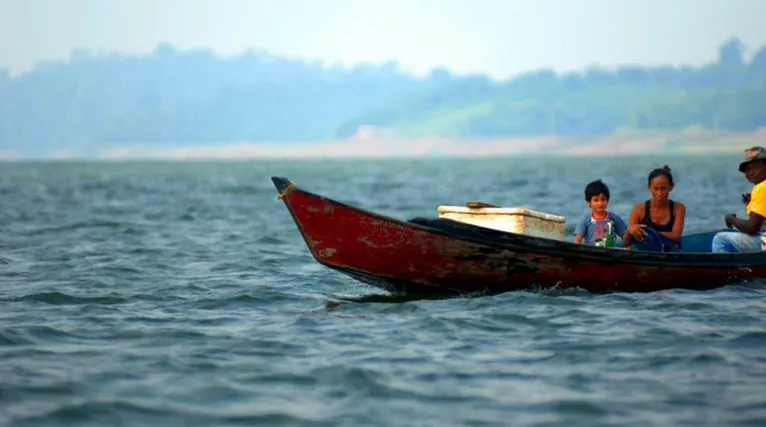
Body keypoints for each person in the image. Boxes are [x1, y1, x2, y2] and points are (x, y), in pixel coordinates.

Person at [711, 146, 766, 253]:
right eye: (747, 169)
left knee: (720, 239)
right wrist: (750, 204)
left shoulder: (762, 187)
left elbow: (752, 228)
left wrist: (731, 219)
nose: (750, 172)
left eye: (755, 167)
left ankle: (725, 270)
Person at [625, 165, 686, 252]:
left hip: (669, 252)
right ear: (649, 188)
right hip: (644, 252)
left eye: (663, 188)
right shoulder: (638, 209)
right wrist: (630, 229)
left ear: (671, 187)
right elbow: (627, 241)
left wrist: (649, 234)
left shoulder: (678, 208)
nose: (659, 193)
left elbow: (676, 236)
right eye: (656, 189)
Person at [574, 179, 629, 247]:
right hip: (591, 254)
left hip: (610, 254)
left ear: (607, 200)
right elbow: (577, 240)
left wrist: (629, 250)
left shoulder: (614, 218)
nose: (600, 203)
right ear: (588, 202)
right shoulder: (585, 220)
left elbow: (624, 236)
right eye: (596, 200)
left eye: (603, 199)